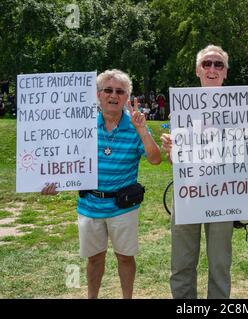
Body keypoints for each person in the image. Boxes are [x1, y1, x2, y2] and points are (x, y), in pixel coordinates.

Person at [41, 69, 161, 299]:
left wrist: (143, 130)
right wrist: (53, 183)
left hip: (123, 207)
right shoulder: (82, 127)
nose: (113, 95)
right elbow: (66, 161)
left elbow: (155, 160)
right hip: (90, 205)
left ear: (127, 97)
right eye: (108, 90)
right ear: (98, 95)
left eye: (120, 91)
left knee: (125, 257)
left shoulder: (135, 127)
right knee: (94, 258)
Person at [161, 45, 234, 299]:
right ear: (197, 70)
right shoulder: (182, 108)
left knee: (220, 263)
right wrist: (171, 150)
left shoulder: (241, 110)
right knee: (181, 261)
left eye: (218, 65)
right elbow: (175, 162)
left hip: (224, 195)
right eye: (206, 64)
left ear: (225, 72)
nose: (212, 69)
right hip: (188, 192)